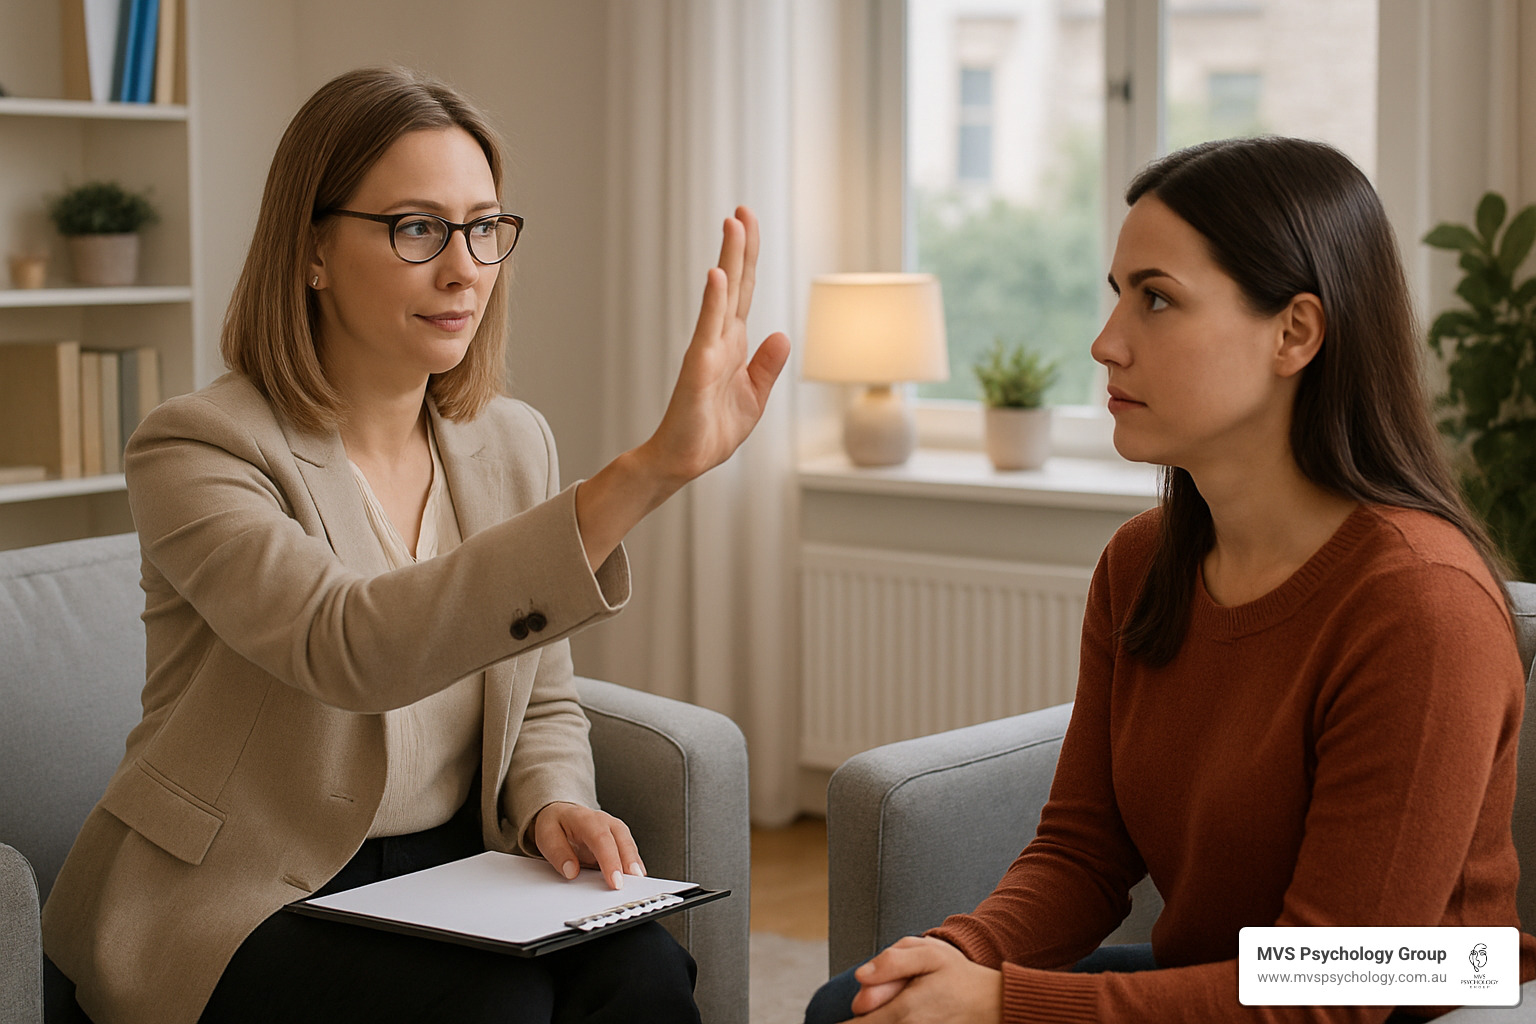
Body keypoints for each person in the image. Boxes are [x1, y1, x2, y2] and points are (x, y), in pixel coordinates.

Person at [40, 66, 789, 1024]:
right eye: (418, 228)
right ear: (312, 250)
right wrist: (645, 474)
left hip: (448, 868)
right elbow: (350, 645)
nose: (464, 267)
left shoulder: (513, 441)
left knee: (645, 973)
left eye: (484, 227)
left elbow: (543, 693)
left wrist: (550, 801)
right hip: (242, 891)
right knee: (494, 1007)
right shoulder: (198, 446)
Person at [804, 136, 1536, 1023]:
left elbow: (1341, 988)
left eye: (1157, 299)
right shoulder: (1142, 564)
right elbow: (1084, 851)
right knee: (858, 1005)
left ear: (1295, 332)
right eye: (1117, 296)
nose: (1106, 343)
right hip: (1217, 984)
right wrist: (965, 955)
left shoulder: (1421, 605)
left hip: (1397, 1011)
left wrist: (1005, 1005)